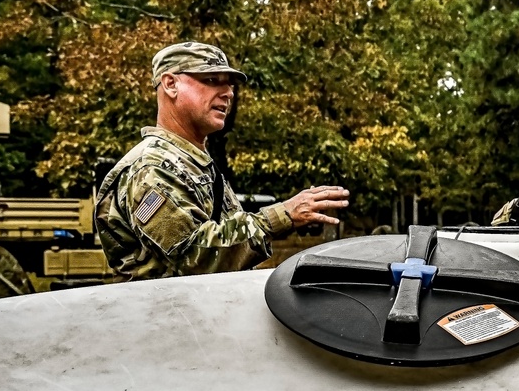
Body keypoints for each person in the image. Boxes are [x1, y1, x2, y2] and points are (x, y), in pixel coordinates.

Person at [95, 41, 350, 280]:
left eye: (229, 84)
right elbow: (196, 257)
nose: (228, 93)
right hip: (168, 322)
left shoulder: (193, 163)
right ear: (171, 84)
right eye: (212, 80)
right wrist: (283, 216)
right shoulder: (151, 168)